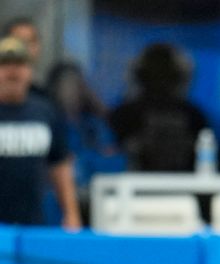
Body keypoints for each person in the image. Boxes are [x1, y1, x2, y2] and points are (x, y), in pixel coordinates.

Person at [0, 37, 80, 229]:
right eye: (5, 64)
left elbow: (60, 165)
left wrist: (71, 213)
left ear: (30, 71)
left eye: (19, 64)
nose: (13, 72)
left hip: (33, 223)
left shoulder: (45, 112)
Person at [46, 61, 126, 222]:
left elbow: (116, 162)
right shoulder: (46, 122)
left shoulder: (95, 124)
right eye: (63, 85)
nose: (68, 92)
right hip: (55, 201)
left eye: (73, 84)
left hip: (97, 198)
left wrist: (84, 163)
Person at [109, 43, 208, 172]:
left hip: (134, 189)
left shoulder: (124, 113)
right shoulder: (193, 114)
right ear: (180, 77)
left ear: (138, 75)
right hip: (184, 188)